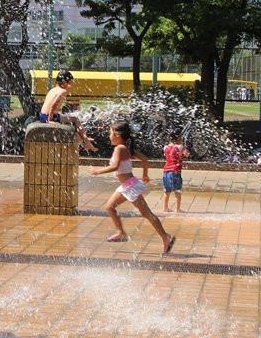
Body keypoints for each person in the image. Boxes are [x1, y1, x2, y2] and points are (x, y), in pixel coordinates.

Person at [90, 121, 175, 253]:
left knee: (147, 213)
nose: (109, 136)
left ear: (117, 135)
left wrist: (97, 171)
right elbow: (145, 159)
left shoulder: (120, 149)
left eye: (110, 133)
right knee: (109, 207)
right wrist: (145, 175)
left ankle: (166, 237)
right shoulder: (125, 148)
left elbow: (115, 166)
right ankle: (121, 233)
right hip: (127, 185)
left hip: (130, 186)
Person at [38, 70, 98, 153]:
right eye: (70, 82)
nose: (70, 85)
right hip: (49, 117)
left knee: (73, 123)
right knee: (75, 119)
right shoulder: (63, 91)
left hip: (42, 115)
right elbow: (53, 106)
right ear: (64, 82)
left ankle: (84, 140)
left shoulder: (52, 90)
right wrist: (50, 120)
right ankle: (86, 142)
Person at [160, 132, 189, 213]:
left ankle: (165, 208)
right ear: (178, 139)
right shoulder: (180, 147)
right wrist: (185, 148)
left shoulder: (165, 147)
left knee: (167, 191)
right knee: (177, 191)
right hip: (175, 171)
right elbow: (186, 155)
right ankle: (178, 209)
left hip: (166, 171)